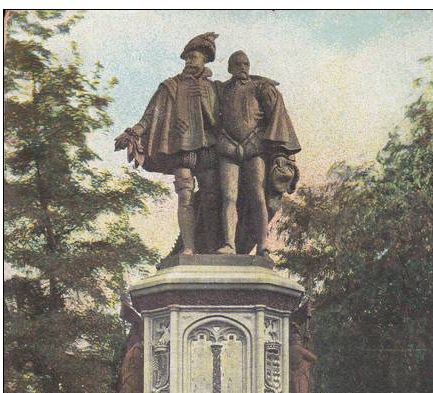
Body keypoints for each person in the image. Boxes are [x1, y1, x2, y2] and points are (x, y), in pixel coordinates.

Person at [115, 33, 220, 254]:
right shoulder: (170, 86)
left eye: (195, 57)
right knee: (185, 196)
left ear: (205, 60)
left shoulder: (213, 88)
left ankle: (211, 248)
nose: (190, 61)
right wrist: (135, 131)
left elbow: (220, 121)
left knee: (211, 197)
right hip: (181, 148)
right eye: (188, 57)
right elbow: (151, 115)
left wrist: (205, 101)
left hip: (208, 148)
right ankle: (189, 248)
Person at [215, 51, 301, 257]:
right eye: (237, 64)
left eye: (246, 63)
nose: (242, 67)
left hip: (255, 149)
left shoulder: (261, 88)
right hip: (227, 148)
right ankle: (229, 244)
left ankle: (263, 243)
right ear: (229, 68)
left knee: (258, 196)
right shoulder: (221, 90)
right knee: (228, 197)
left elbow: (277, 117)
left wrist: (282, 153)